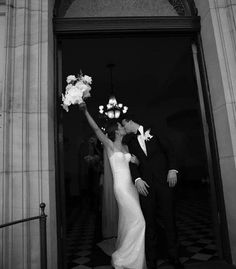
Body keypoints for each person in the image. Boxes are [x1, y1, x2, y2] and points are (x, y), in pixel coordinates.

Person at [79, 102, 146, 269]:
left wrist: (135, 160)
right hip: (122, 189)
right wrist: (86, 110)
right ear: (116, 130)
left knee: (130, 221)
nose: (122, 126)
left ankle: (134, 260)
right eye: (120, 125)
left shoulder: (126, 146)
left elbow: (133, 164)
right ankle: (123, 257)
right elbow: (95, 129)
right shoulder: (109, 145)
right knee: (140, 221)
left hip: (131, 187)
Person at [122, 117, 184, 269]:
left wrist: (172, 170)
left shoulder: (155, 131)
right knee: (149, 222)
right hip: (146, 186)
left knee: (169, 218)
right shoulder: (130, 142)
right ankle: (151, 259)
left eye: (125, 126)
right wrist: (137, 179)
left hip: (164, 183)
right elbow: (133, 163)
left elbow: (170, 151)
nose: (124, 130)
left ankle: (174, 256)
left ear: (131, 122)